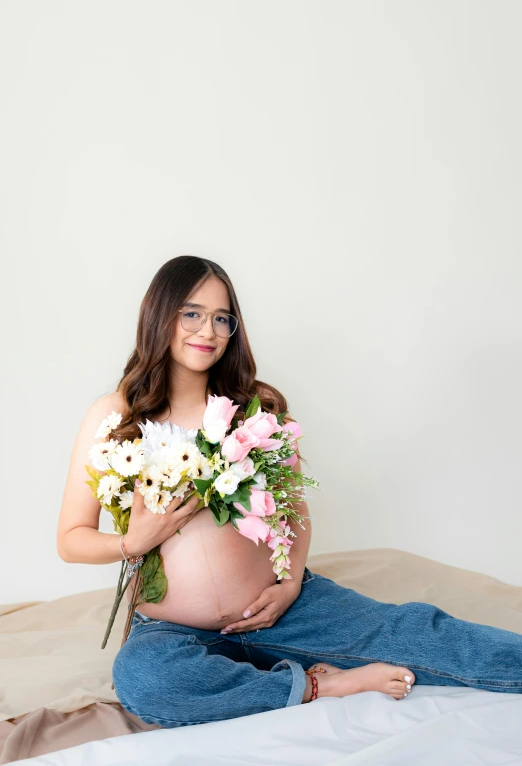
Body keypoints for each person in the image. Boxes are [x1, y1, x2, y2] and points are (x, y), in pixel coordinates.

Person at [57, 255, 522, 729]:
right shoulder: (115, 416)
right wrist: (131, 544)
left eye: (222, 318)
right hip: (170, 628)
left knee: (417, 631)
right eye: (192, 313)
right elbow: (71, 538)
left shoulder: (255, 408)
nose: (208, 331)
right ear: (160, 315)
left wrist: (292, 582)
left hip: (282, 609)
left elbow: (294, 510)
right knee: (145, 679)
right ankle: (324, 685)